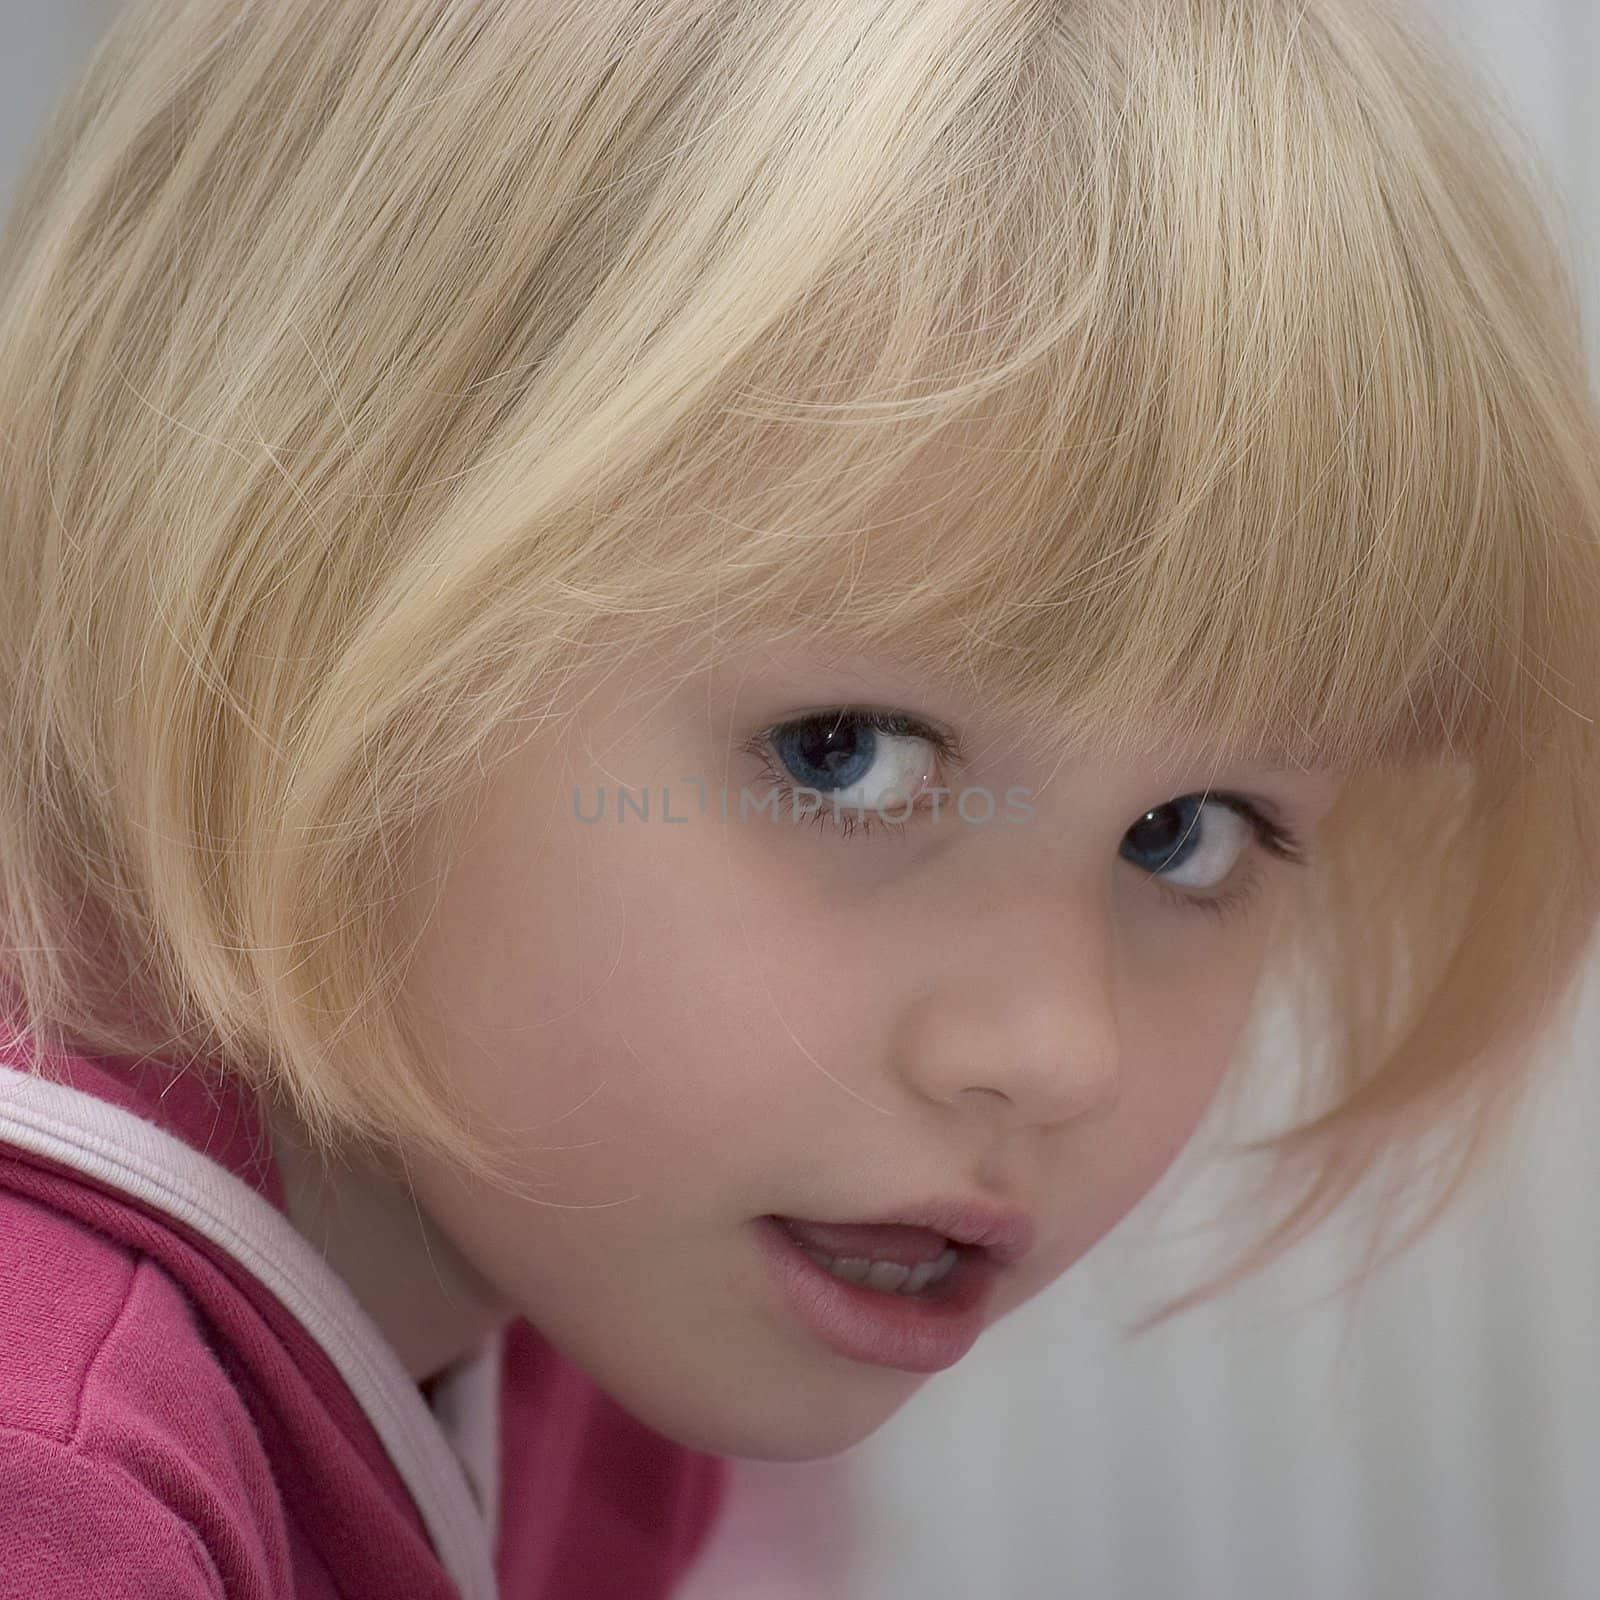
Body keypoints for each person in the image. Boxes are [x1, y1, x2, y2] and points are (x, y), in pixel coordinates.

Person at [2, 0, 1599, 1594]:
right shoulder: (57, 1480)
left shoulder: (595, 1252)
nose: (1053, 1050)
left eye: (1186, 833)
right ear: (282, 568)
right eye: (845, 753)